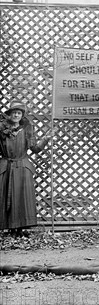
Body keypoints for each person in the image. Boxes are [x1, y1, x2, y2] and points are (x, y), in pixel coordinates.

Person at [0, 101, 52, 236]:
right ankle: (8, 229)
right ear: (9, 115)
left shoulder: (27, 130)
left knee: (22, 199)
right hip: (6, 168)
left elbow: (35, 149)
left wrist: (45, 139)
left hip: (23, 169)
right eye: (14, 112)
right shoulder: (1, 130)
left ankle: (20, 229)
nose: (16, 115)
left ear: (22, 115)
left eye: (19, 113)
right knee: (5, 197)